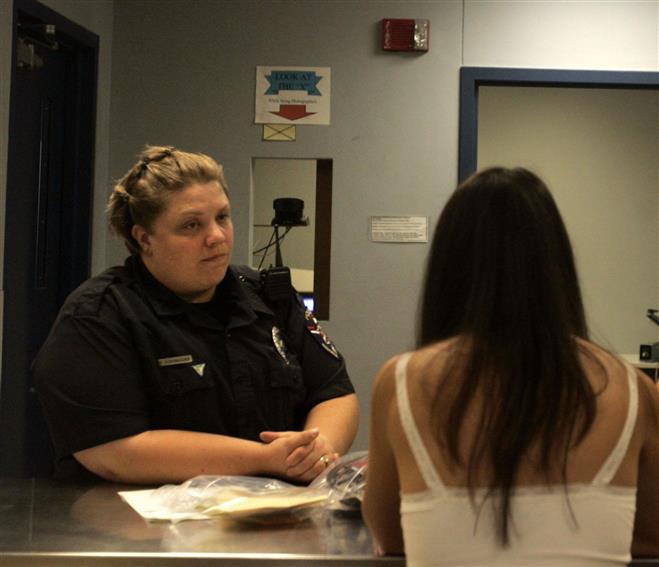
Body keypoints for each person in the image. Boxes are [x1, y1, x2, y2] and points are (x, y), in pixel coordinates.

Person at [362, 167, 659, 565]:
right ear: (556, 265)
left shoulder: (400, 382)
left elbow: (391, 537)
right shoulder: (632, 388)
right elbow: (651, 539)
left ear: (447, 267)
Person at [34, 145, 359, 485]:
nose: (217, 237)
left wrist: (316, 450)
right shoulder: (98, 316)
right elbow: (114, 450)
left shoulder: (268, 297)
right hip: (142, 530)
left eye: (222, 217)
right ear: (144, 238)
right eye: (191, 225)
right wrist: (267, 459)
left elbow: (334, 391)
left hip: (277, 521)